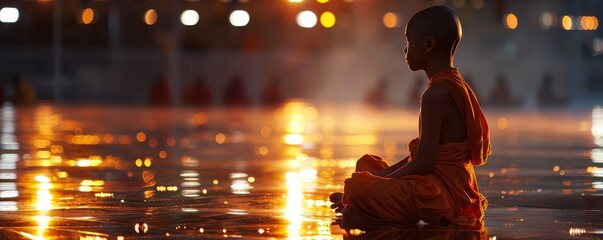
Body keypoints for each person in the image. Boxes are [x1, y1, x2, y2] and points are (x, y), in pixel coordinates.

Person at [329, 6, 491, 226]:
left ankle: (367, 214)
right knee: (367, 165)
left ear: (428, 44)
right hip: (444, 184)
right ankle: (364, 202)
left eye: (408, 42)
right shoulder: (453, 85)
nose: (405, 51)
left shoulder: (436, 94)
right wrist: (379, 177)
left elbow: (424, 163)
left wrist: (365, 189)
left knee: (358, 187)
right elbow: (422, 156)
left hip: (443, 194)